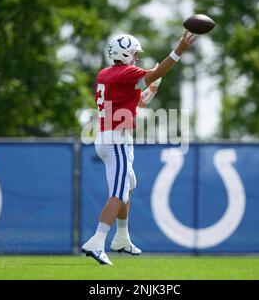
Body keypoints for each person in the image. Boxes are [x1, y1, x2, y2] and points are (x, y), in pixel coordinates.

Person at [81, 30, 198, 265]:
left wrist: (153, 88)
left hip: (107, 137)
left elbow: (139, 100)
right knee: (118, 193)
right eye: (134, 54)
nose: (136, 58)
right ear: (124, 53)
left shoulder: (106, 74)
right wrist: (179, 50)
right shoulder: (126, 73)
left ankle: (121, 238)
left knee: (129, 185)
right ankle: (97, 241)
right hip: (117, 140)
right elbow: (156, 72)